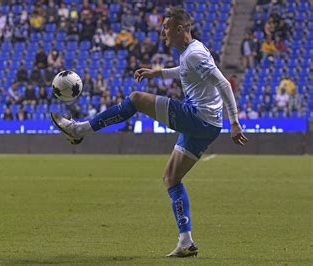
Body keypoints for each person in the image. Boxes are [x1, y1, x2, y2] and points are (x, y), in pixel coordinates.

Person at [50, 8, 248, 257]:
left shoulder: (195, 53)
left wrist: (235, 122)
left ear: (179, 29)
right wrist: (159, 73)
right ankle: (185, 242)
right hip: (208, 125)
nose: (162, 31)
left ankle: (79, 130)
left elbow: (222, 83)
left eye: (166, 27)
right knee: (171, 179)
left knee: (135, 99)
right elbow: (185, 70)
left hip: (198, 117)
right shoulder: (191, 52)